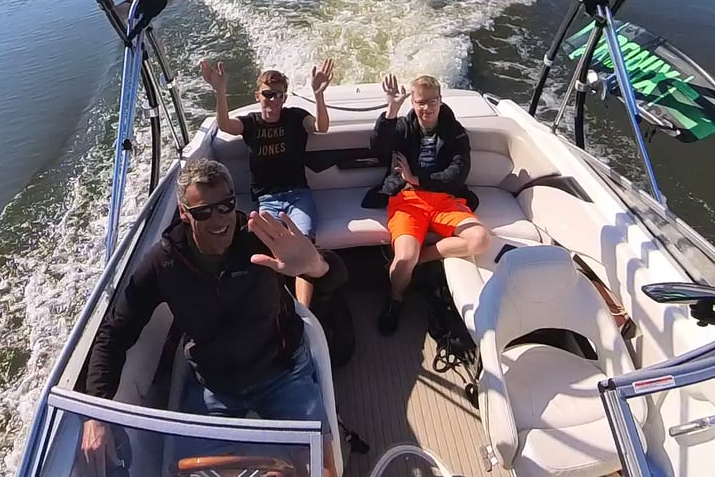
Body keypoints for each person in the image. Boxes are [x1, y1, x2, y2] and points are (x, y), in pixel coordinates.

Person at [79, 158, 345, 477]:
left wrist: (315, 265)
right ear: (183, 213)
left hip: (282, 370)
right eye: (204, 211)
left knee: (323, 473)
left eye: (226, 206)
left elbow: (336, 279)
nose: (219, 219)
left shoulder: (260, 237)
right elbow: (115, 332)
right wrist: (97, 412)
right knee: (193, 472)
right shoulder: (163, 264)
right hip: (216, 385)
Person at [363, 74, 491, 335]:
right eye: (420, 102)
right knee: (403, 259)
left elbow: (458, 172)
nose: (427, 108)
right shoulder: (404, 127)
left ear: (441, 101)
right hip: (408, 199)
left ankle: (422, 258)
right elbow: (378, 146)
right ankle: (396, 299)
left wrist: (418, 177)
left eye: (432, 102)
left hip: (445, 199)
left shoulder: (455, 133)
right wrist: (392, 108)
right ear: (413, 102)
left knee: (480, 239)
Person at [201, 59, 333, 307]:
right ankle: (275, 305)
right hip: (267, 200)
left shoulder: (296, 117)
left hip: (298, 196)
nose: (272, 100)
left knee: (302, 246)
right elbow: (226, 126)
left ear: (284, 98)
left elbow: (321, 127)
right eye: (267, 94)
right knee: (262, 247)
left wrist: (319, 94)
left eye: (278, 96)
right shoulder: (251, 123)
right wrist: (219, 91)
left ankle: (304, 313)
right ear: (257, 95)